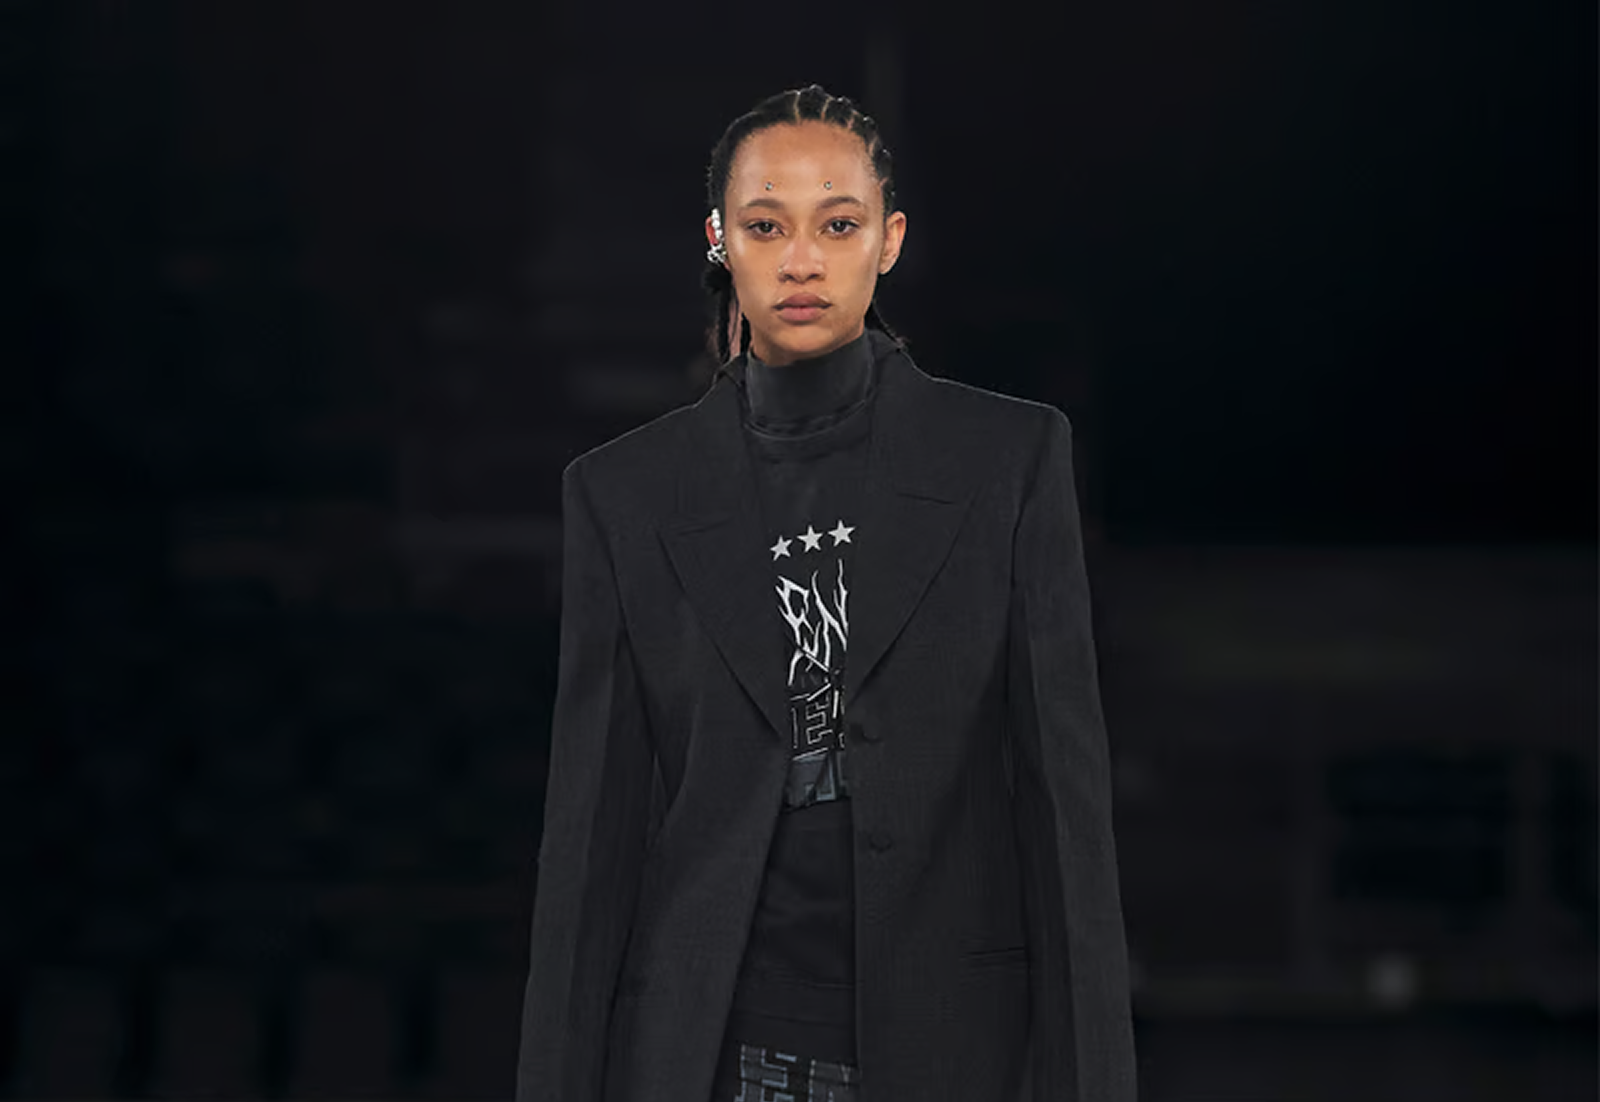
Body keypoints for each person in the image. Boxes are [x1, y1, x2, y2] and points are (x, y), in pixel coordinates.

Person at [515, 84, 1136, 1102]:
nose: (801, 259)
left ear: (889, 241)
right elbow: (591, 851)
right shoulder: (623, 493)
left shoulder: (1008, 460)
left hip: (948, 1046)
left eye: (837, 224)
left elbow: (1065, 827)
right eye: (766, 226)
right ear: (719, 240)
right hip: (700, 1051)